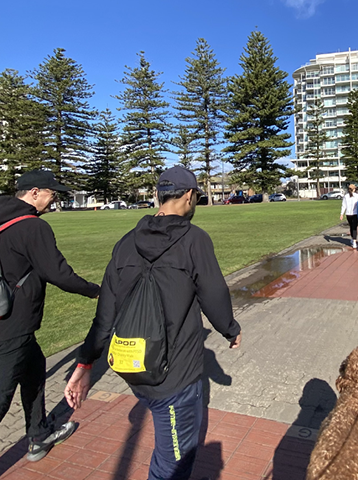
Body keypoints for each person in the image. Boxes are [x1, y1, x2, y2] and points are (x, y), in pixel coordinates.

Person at [65, 166, 242, 480]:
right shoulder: (194, 240)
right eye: (196, 198)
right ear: (189, 196)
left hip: (131, 363)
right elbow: (214, 294)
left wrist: (84, 364)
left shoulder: (126, 242)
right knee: (174, 460)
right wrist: (230, 329)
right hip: (173, 376)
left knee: (169, 443)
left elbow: (105, 312)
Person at [0, 170, 101, 464]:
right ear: (35, 192)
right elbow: (58, 273)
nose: (54, 199)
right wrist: (96, 292)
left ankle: (38, 436)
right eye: (52, 194)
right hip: (10, 329)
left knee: (35, 367)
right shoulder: (32, 227)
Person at [340, 184, 358, 249]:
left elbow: (343, 206)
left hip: (348, 214)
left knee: (352, 227)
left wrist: (342, 214)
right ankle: (354, 241)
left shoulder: (346, 196)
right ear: (354, 189)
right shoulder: (357, 196)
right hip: (354, 214)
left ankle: (353, 239)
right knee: (354, 227)